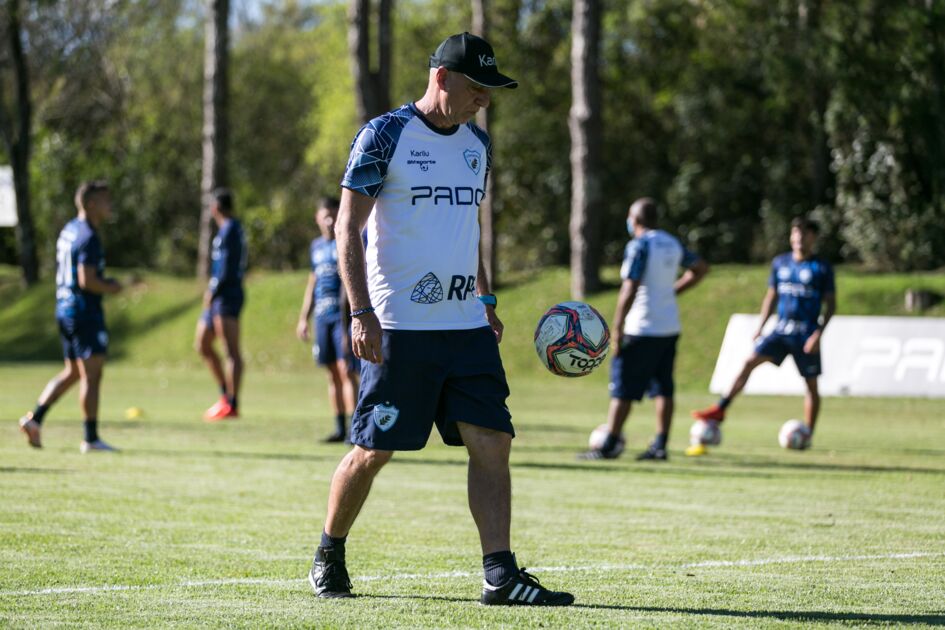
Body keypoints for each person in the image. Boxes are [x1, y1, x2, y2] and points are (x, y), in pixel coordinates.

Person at [306, 32, 573, 606]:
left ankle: (499, 574)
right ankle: (329, 550)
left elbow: (464, 231)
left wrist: (485, 298)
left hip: (467, 329)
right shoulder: (384, 135)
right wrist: (361, 312)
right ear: (442, 78)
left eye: (491, 91)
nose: (486, 100)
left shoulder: (477, 146)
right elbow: (345, 229)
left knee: (492, 441)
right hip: (400, 327)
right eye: (478, 88)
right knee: (374, 450)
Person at [580, 198, 708, 461]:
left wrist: (617, 326)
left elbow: (630, 286)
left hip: (641, 327)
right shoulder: (671, 242)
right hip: (669, 327)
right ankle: (660, 445)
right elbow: (700, 268)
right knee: (663, 388)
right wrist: (673, 292)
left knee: (623, 387)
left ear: (634, 220)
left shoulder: (639, 245)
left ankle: (609, 445)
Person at [691, 217, 835, 449]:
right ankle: (720, 409)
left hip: (806, 334)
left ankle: (808, 432)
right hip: (781, 331)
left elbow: (831, 304)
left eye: (804, 234)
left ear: (813, 238)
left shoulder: (821, 267)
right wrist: (761, 325)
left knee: (811, 385)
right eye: (795, 234)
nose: (798, 239)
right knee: (749, 362)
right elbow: (772, 296)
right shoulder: (781, 263)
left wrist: (818, 334)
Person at [18, 180, 123, 453]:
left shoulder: (69, 229)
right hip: (83, 311)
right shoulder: (88, 236)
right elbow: (87, 280)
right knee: (92, 374)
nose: (109, 205)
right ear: (90, 204)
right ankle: (90, 438)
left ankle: (35, 419)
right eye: (104, 200)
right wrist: (113, 286)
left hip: (64, 308)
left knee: (73, 371)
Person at [297, 197, 360, 442]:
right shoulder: (316, 247)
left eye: (334, 214)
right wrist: (304, 317)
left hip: (341, 316)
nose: (330, 219)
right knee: (331, 372)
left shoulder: (345, 242)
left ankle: (355, 429)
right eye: (325, 215)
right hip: (322, 317)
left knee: (346, 371)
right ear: (317, 218)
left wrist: (350, 322)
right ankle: (339, 427)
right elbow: (313, 283)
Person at [195, 188, 246, 422]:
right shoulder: (226, 230)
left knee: (230, 351)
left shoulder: (231, 230)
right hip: (219, 296)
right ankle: (225, 395)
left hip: (227, 296)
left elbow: (226, 269)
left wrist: (213, 291)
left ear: (215, 208)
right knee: (202, 343)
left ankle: (232, 404)